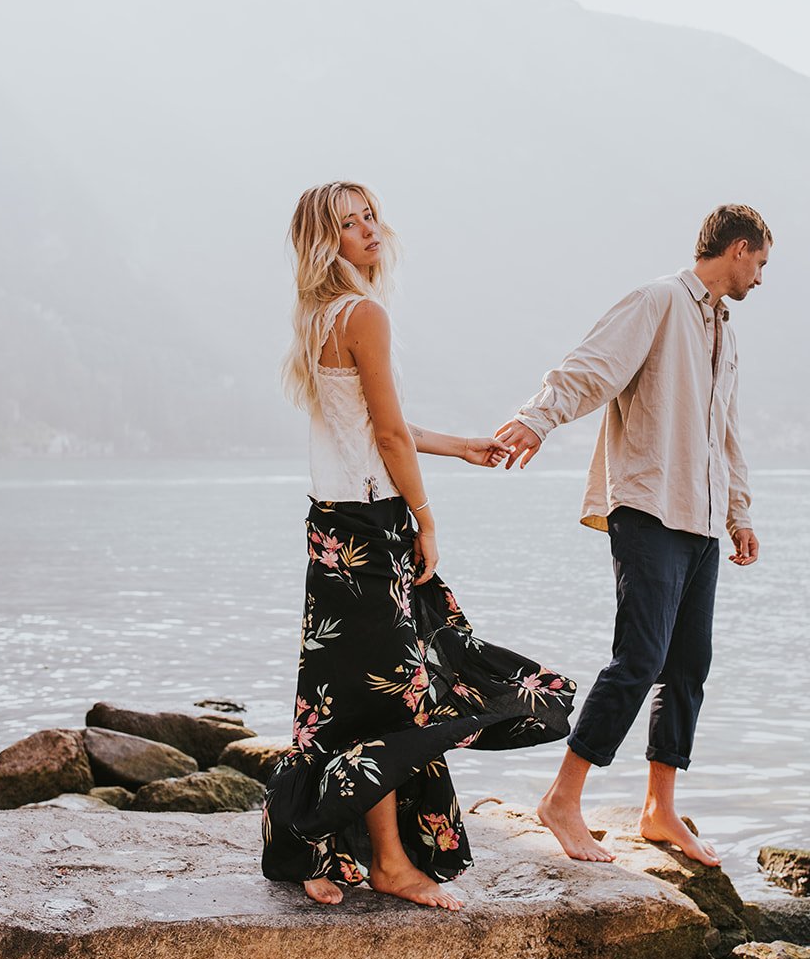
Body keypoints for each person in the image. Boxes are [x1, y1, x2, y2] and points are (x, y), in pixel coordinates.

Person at [261, 181, 576, 910]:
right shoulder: (362, 313)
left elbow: (379, 427)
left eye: (370, 215)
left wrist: (460, 447)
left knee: (338, 703)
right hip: (372, 530)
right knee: (394, 703)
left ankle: (322, 849)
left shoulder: (316, 316)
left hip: (332, 527)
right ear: (325, 241)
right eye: (350, 223)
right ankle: (391, 864)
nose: (370, 230)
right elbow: (388, 434)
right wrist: (426, 517)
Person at [495, 204, 771, 869]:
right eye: (759, 263)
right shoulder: (657, 301)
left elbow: (723, 429)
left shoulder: (724, 330)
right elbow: (591, 366)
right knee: (638, 659)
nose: (761, 278)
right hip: (648, 505)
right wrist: (537, 419)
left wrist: (738, 511)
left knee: (686, 668)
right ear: (736, 250)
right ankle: (562, 800)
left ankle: (658, 810)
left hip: (702, 520)